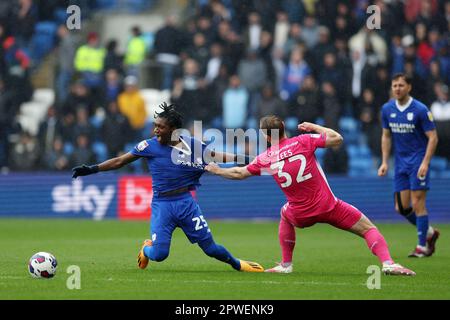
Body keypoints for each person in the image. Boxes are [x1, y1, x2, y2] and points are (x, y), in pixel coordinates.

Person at [205, 115, 415, 276]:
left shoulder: (266, 158)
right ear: (283, 129)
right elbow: (337, 139)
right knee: (368, 228)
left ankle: (286, 265)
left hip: (300, 214)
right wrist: (315, 127)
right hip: (329, 206)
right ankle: (388, 263)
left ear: (267, 136)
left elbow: (239, 173)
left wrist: (217, 171)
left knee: (285, 213)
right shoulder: (303, 141)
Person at [71, 103, 264, 273]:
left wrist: (249, 160)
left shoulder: (192, 145)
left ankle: (238, 264)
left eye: (160, 127)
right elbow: (120, 161)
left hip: (186, 203)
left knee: (211, 249)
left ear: (173, 129)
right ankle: (146, 248)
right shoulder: (148, 146)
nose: (155, 130)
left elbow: (217, 155)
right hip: (162, 205)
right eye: (155, 126)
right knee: (160, 254)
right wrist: (91, 169)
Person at [378, 73, 440, 258]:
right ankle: (429, 232)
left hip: (417, 162)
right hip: (400, 164)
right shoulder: (387, 109)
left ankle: (422, 246)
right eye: (394, 85)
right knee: (402, 208)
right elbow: (386, 135)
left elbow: (433, 137)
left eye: (401, 85)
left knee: (418, 203)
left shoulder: (420, 109)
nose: (397, 88)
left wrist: (425, 163)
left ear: (409, 87)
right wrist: (384, 161)